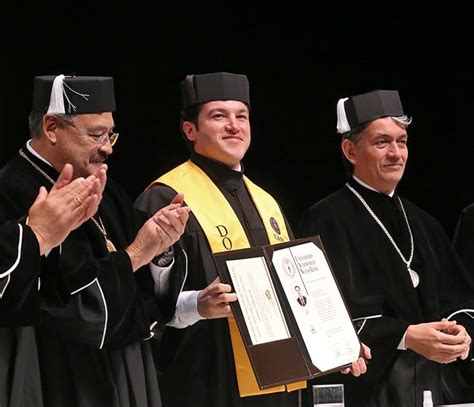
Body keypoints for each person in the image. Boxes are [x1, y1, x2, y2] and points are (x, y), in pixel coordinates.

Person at [135, 72, 369, 407]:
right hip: (207, 380)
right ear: (190, 130)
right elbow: (142, 301)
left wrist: (339, 344)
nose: (234, 125)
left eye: (241, 116)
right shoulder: (166, 199)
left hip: (281, 382)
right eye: (219, 116)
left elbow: (297, 291)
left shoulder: (267, 203)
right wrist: (196, 305)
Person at [0, 74, 190, 407]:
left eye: (111, 133)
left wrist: (161, 248)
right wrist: (134, 255)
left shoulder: (104, 186)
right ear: (52, 128)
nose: (107, 147)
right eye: (96, 134)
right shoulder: (14, 190)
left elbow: (145, 284)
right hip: (61, 377)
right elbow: (74, 310)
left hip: (125, 364)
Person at [299, 89, 474, 406]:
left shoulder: (425, 223)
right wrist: (405, 336)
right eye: (382, 142)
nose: (396, 153)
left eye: (402, 141)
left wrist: (461, 335)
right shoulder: (325, 219)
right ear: (351, 150)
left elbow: (460, 300)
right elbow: (319, 316)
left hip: (435, 385)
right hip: (368, 391)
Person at [1, 162, 102, 324]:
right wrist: (40, 234)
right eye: (95, 134)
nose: (108, 148)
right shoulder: (11, 184)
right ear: (51, 134)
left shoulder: (108, 190)